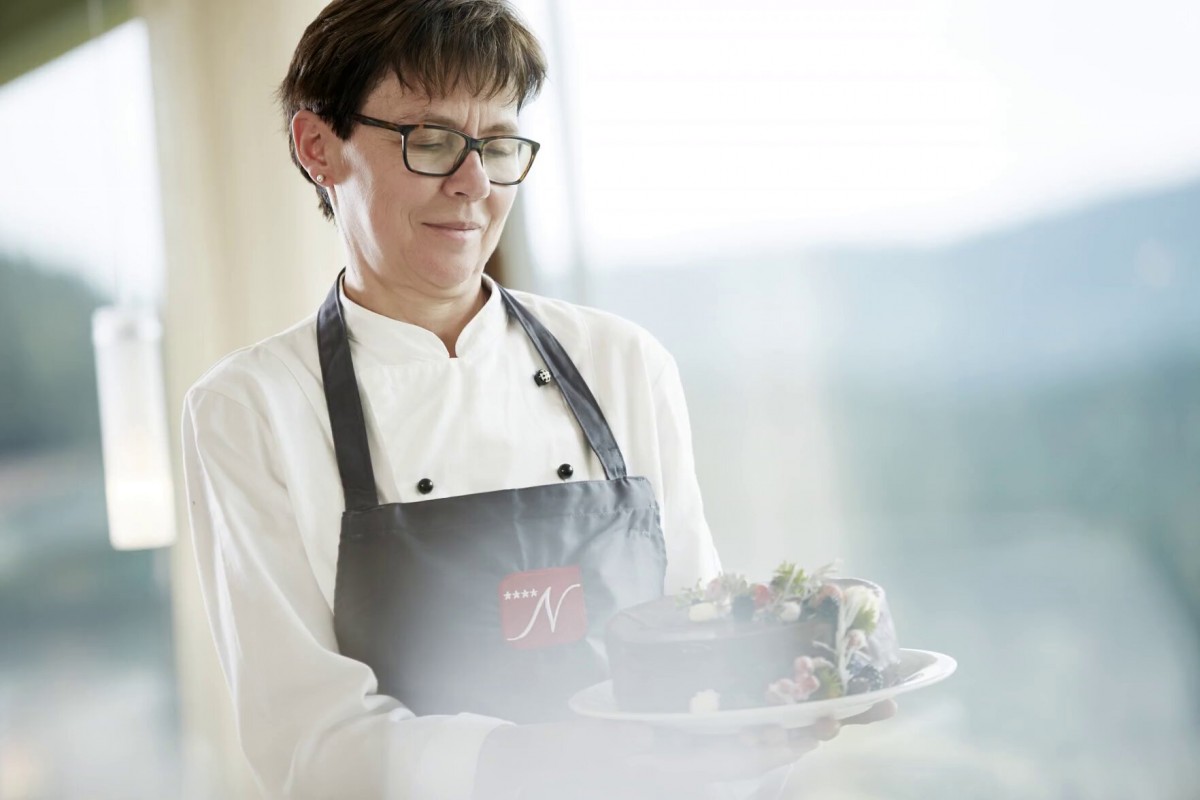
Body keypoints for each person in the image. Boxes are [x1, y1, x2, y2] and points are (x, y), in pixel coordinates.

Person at [181, 1, 891, 798]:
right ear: (319, 147)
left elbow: (696, 642)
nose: (474, 184)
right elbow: (309, 740)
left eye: (498, 145)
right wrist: (563, 764)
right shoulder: (251, 409)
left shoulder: (623, 363)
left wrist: (776, 702)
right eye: (434, 140)